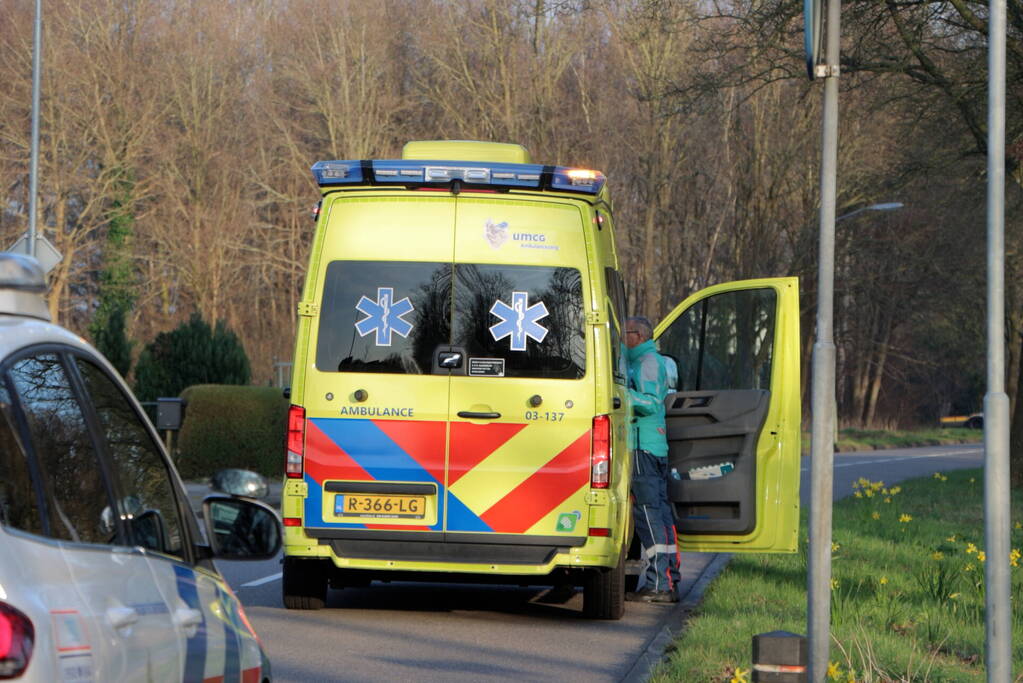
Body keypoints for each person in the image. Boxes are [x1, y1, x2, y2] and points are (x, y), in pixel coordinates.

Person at [624, 316, 678, 603]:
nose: (622, 338)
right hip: (653, 445)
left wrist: (619, 392)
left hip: (643, 444)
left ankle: (659, 583)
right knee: (661, 512)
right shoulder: (646, 359)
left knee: (647, 513)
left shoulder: (646, 362)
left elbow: (650, 402)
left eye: (626, 333)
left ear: (639, 336)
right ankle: (669, 578)